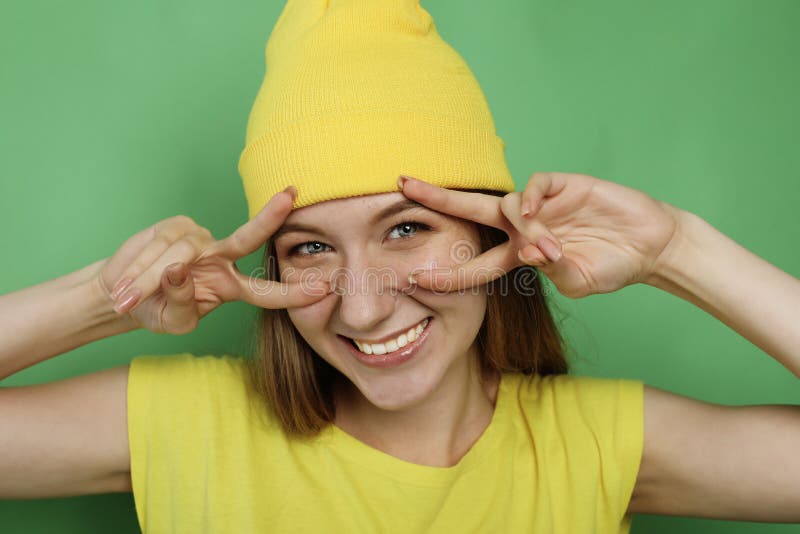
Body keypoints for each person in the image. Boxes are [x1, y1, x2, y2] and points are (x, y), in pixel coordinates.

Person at [2, 0, 799, 532]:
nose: (362, 309)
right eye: (310, 247)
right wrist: (107, 299)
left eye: (407, 227)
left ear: (497, 234)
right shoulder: (185, 426)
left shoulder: (595, 445)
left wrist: (677, 253)